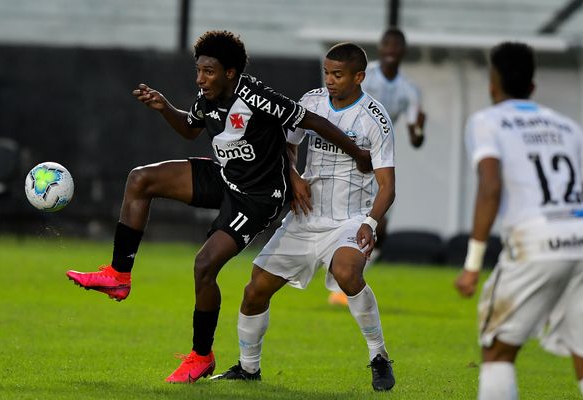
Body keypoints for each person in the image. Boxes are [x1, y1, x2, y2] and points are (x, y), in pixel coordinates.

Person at [65, 30, 371, 384]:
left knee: (204, 265)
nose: (200, 79)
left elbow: (312, 121)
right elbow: (190, 130)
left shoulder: (258, 96)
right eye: (198, 71)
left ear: (230, 72)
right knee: (140, 180)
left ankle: (201, 356)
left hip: (258, 197)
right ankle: (119, 275)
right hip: (225, 176)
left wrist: (359, 153)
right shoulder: (207, 97)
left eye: (208, 71)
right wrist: (165, 107)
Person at [211, 42, 396, 391]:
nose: (330, 80)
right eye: (327, 72)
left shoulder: (375, 118)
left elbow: (388, 186)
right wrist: (293, 175)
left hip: (349, 219)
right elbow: (287, 144)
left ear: (359, 76)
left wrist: (370, 223)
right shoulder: (310, 102)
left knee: (346, 271)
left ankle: (379, 357)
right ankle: (249, 369)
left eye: (338, 75)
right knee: (254, 290)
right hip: (305, 217)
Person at [454, 41, 583, 399]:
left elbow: (489, 188)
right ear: (532, 86)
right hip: (581, 238)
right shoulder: (567, 127)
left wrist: (472, 265)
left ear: (492, 83)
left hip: (536, 242)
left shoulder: (486, 121)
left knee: (497, 350)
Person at [327, 26, 426, 306]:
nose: (391, 51)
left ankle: (348, 280)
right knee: (349, 218)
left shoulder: (409, 90)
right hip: (348, 158)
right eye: (387, 46)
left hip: (378, 162)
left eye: (396, 47)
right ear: (381, 50)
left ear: (403, 52)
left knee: (379, 226)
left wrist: (420, 129)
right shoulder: (366, 81)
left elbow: (415, 138)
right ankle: (338, 285)